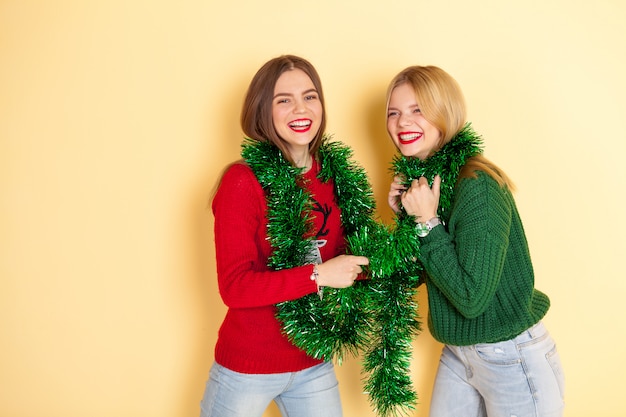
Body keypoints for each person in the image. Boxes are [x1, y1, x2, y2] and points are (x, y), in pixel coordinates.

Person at [386, 65, 565, 417]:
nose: (402, 122)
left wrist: (426, 221)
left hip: (511, 355)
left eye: (417, 110)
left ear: (445, 113)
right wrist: (407, 218)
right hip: (459, 350)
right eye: (394, 112)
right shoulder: (427, 185)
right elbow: (413, 277)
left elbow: (471, 298)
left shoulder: (476, 184)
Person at [199, 55, 369, 417]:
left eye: (310, 96)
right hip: (248, 366)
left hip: (313, 360)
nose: (300, 108)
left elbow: (347, 261)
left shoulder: (333, 176)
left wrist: (408, 216)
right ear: (263, 110)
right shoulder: (243, 182)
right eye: (284, 100)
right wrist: (319, 276)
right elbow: (234, 286)